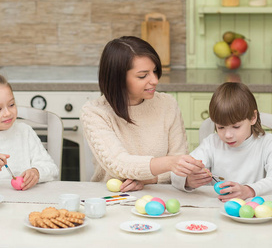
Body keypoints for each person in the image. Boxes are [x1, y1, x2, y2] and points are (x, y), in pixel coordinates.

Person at [80, 36, 202, 192]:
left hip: (162, 195)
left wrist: (150, 179)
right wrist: (170, 164)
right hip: (110, 196)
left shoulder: (167, 104)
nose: (155, 80)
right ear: (118, 79)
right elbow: (118, 164)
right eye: (143, 76)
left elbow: (179, 167)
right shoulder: (95, 112)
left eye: (155, 71)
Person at [172, 82, 272, 201]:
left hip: (253, 212)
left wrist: (249, 190)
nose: (227, 135)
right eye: (221, 127)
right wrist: (187, 181)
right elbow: (176, 174)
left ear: (253, 117)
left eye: (236, 127)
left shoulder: (267, 143)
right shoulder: (212, 143)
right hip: (217, 211)